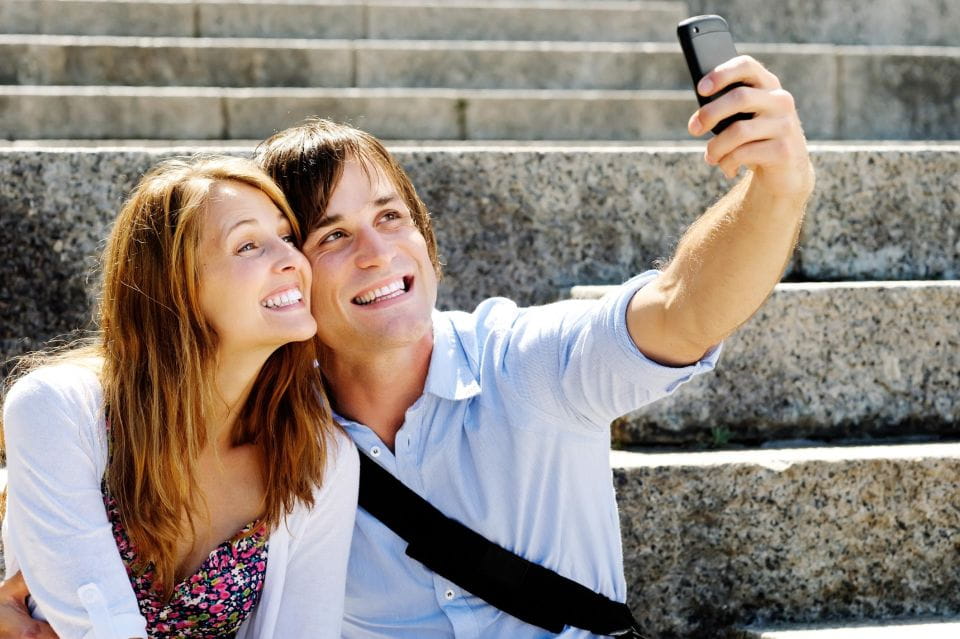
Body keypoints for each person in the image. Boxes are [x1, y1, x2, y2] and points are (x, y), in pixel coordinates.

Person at [1, 54, 814, 637]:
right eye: (331, 234)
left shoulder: (521, 365)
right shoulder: (271, 433)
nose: (379, 252)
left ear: (426, 238)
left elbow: (679, 309)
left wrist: (778, 186)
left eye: (392, 217)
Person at [0, 156, 359, 638]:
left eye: (287, 237)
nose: (293, 259)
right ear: (177, 286)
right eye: (249, 245)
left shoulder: (318, 456)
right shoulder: (57, 408)